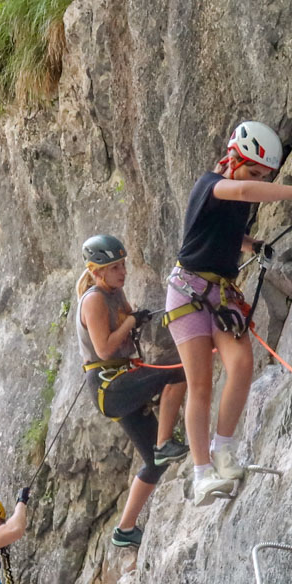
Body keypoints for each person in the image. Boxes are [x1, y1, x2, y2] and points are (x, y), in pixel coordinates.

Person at [170, 121, 292, 504]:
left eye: (263, 175)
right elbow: (239, 188)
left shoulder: (235, 195)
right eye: (254, 171)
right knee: (201, 385)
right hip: (187, 292)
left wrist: (251, 244)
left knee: (241, 363)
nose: (257, 180)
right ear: (234, 157)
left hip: (220, 291)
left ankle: (223, 449)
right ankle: (201, 473)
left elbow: (223, 230)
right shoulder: (211, 185)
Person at [77, 233, 188, 549]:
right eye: (115, 267)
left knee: (155, 464)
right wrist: (130, 323)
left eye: (123, 265)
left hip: (120, 382)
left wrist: (136, 319)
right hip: (109, 385)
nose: (122, 272)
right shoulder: (95, 298)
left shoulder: (114, 293)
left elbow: (126, 328)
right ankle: (165, 442)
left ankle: (124, 530)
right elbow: (106, 347)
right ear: (98, 271)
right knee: (177, 372)